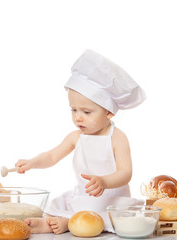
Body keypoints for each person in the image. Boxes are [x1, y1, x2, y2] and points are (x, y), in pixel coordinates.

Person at [15, 49, 146, 234]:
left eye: (86, 112)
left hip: (112, 200)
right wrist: (32, 162)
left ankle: (68, 222)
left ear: (109, 113)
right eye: (73, 110)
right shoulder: (76, 137)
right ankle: (52, 222)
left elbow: (126, 173)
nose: (78, 118)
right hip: (84, 196)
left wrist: (104, 182)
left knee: (108, 216)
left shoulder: (117, 137)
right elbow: (52, 156)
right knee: (62, 204)